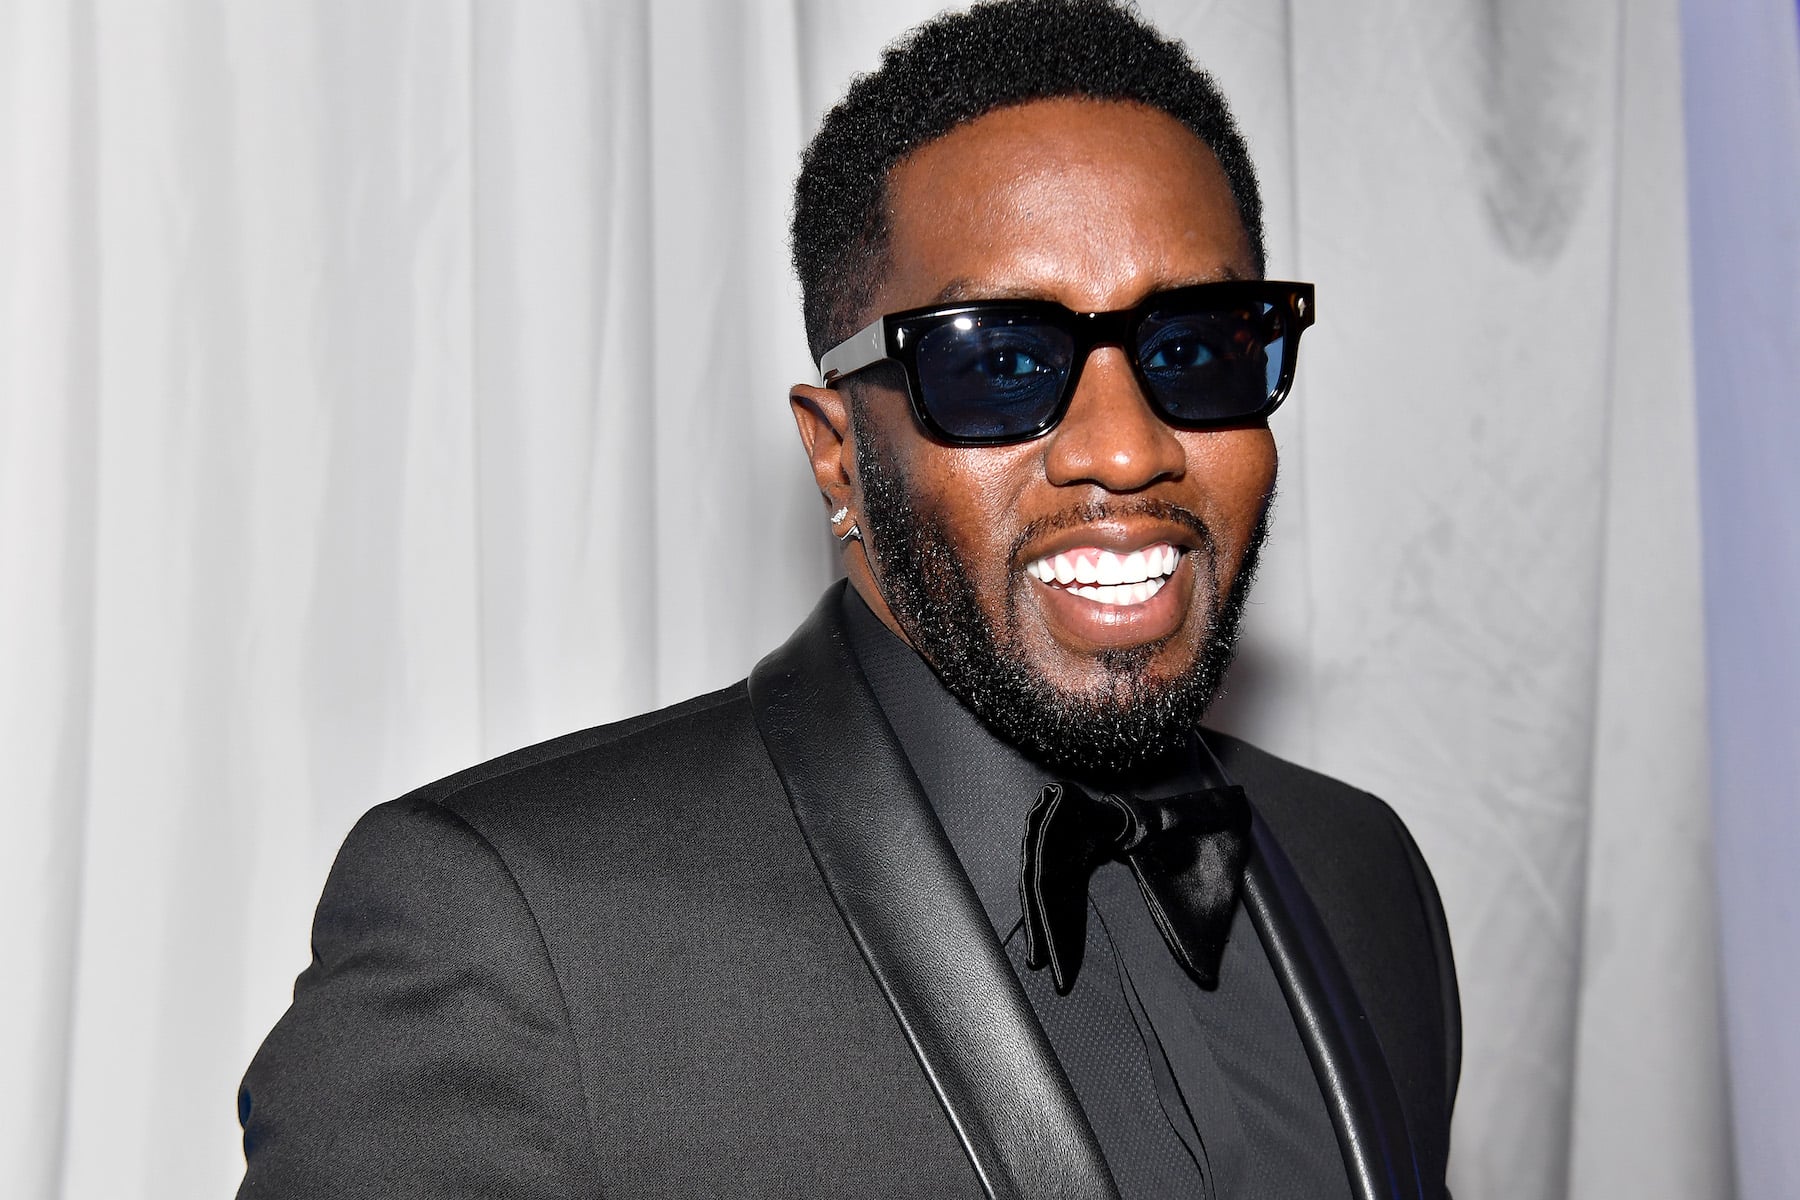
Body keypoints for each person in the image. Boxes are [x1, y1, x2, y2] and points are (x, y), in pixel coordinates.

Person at [237, 1, 1459, 1196]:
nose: (1126, 449)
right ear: (836, 454)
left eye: (1192, 350)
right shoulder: (515, 936)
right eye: (1000, 363)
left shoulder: (1363, 874)